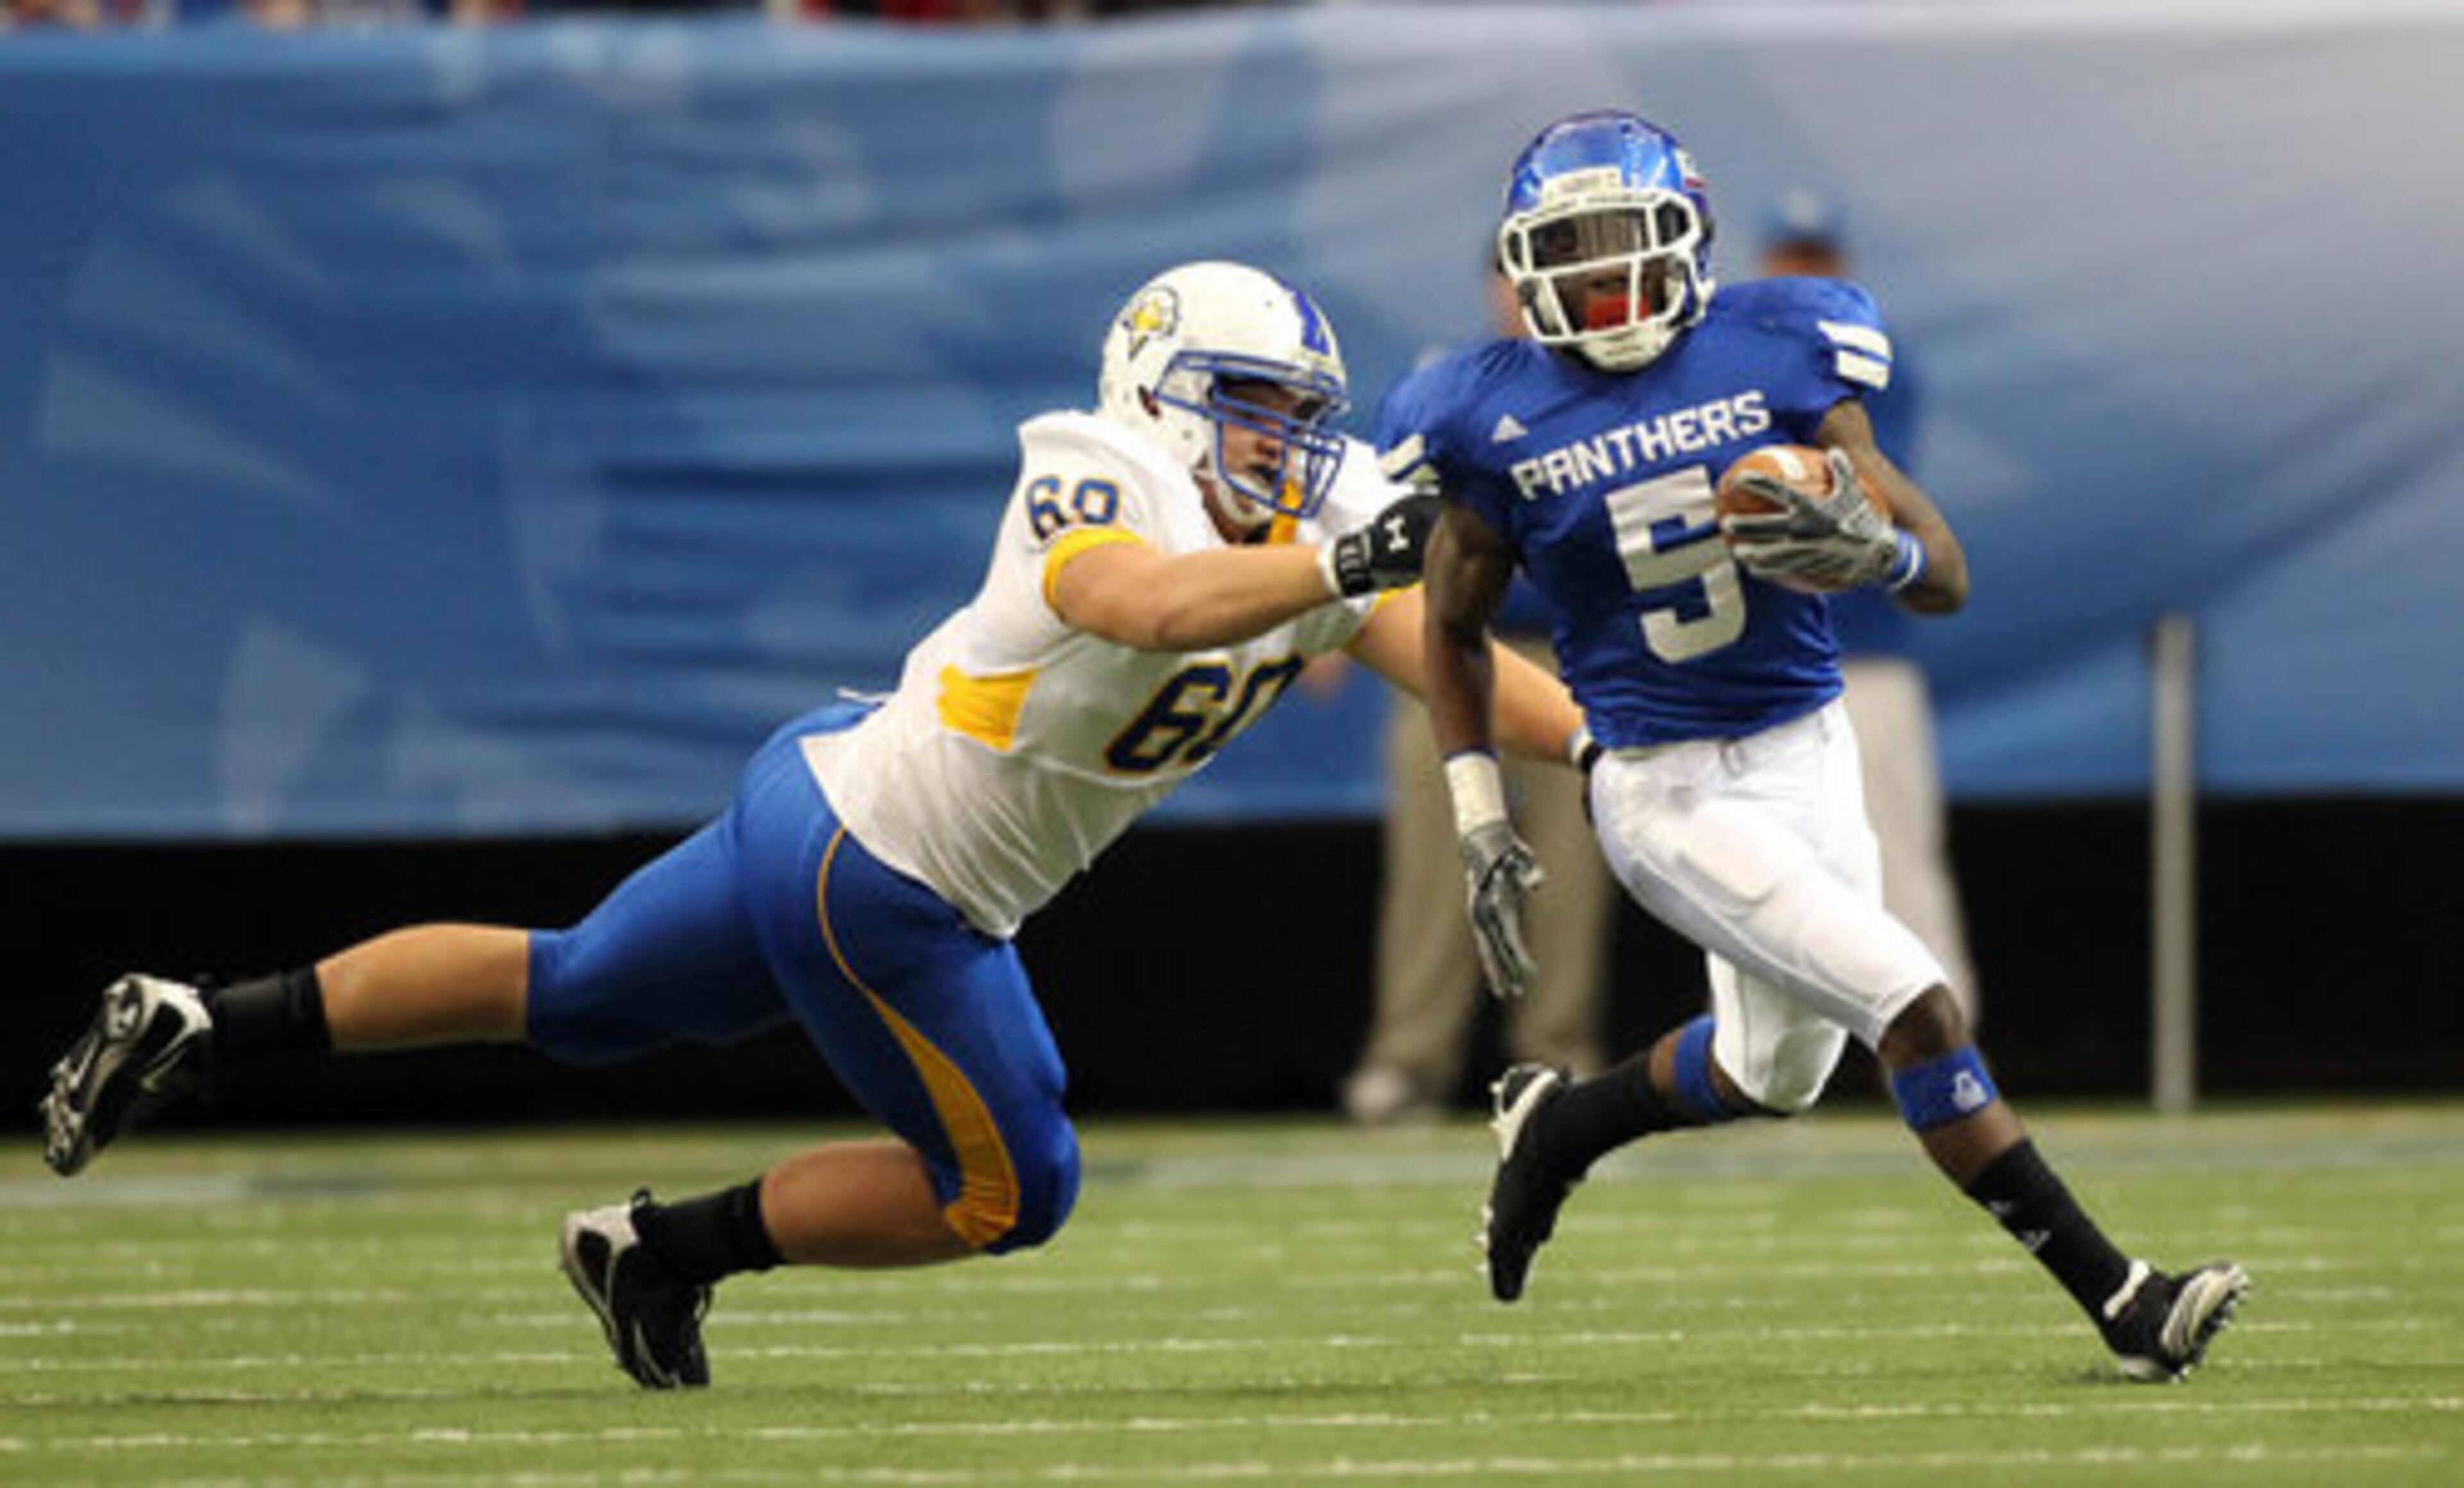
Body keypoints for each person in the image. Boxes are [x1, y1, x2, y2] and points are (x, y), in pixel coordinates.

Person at [39, 260, 1591, 1390]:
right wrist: (1338, 568)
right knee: (1014, 1184)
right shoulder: (1097, 468)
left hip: (834, 793)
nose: (1282, 445)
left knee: (573, 990)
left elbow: (1442, 658)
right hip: (886, 874)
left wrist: (1602, 750)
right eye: (1252, 410)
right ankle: (662, 1250)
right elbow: (1149, 601)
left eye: (1300, 417)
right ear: (1160, 399)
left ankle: (198, 1021)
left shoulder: (1310, 540)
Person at [1380, 111, 2247, 1381]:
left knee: (1774, 1069)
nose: (1601, 280)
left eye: (1624, 245)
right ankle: (2122, 1296)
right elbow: (1448, 624)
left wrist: (1874, 550)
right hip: (1662, 783)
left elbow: (1940, 570)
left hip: (1809, 740)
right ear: (1522, 263)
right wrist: (1478, 807)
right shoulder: (1483, 411)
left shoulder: (1781, 342)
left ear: (1691, 237)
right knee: (1914, 1003)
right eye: (1570, 252)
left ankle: (1560, 1126)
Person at [1343, 263, 1613, 1124]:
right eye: (1512, 276)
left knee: (1574, 871)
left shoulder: (1609, 384)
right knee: (1434, 868)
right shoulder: (1447, 386)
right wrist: (1334, 612)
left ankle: (1558, 1057)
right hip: (1445, 654)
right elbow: (1376, 512)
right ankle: (1409, 1058)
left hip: (1575, 654)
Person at [1758, 186, 1981, 1018]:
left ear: (1840, 271)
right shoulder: (1739, 365)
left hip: (1865, 656)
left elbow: (1850, 487)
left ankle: (1952, 1034)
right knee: (1780, 868)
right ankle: (1792, 1056)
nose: (1800, 275)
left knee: (1896, 853)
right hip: (1777, 664)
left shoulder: (1874, 363)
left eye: (1814, 262)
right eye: (1789, 259)